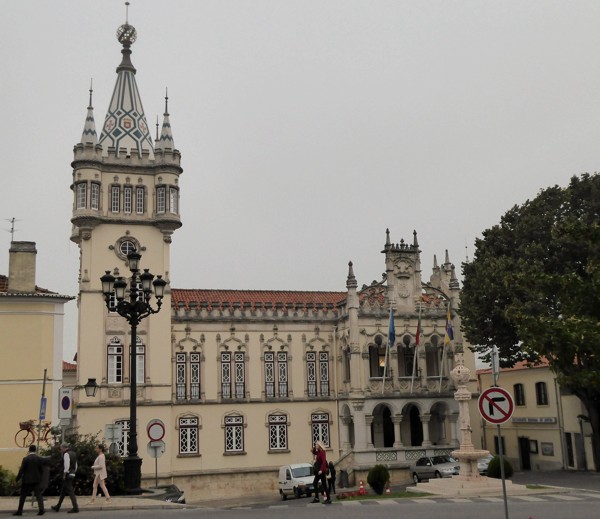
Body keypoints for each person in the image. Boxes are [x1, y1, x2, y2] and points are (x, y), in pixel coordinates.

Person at [13, 444, 45, 516]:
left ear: (29, 450)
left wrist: (16, 479)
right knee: (38, 495)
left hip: (26, 480)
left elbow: (21, 470)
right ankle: (41, 509)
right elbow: (41, 470)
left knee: (23, 495)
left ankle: (20, 511)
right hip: (36, 480)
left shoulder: (26, 459)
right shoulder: (39, 459)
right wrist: (40, 478)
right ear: (35, 450)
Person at [51, 443, 79, 514]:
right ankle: (58, 506)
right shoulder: (73, 453)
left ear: (64, 448)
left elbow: (66, 465)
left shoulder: (66, 454)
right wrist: (74, 472)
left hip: (68, 474)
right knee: (63, 492)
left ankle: (75, 507)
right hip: (72, 473)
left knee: (70, 491)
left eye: (61, 448)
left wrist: (64, 474)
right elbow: (76, 465)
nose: (60, 450)